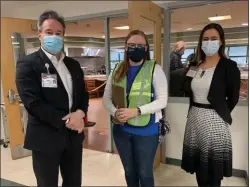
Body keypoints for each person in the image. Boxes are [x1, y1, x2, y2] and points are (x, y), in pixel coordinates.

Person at [15, 10, 89, 187]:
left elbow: (83, 94)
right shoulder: (28, 64)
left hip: (73, 137)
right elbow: (32, 102)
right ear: (39, 34)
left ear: (64, 35)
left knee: (73, 182)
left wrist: (79, 113)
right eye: (49, 32)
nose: (54, 37)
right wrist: (67, 120)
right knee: (47, 183)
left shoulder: (73, 64)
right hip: (45, 137)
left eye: (58, 33)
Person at [103, 30, 168, 187]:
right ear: (125, 47)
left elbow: (162, 100)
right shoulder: (117, 69)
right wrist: (115, 112)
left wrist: (137, 111)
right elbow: (106, 98)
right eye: (132, 45)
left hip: (146, 132)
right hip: (121, 131)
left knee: (145, 173)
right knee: (129, 172)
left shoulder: (155, 69)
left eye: (140, 45)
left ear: (146, 48)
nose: (136, 48)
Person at [181, 23, 241, 187]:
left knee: (213, 173)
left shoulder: (229, 67)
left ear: (221, 41)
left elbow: (233, 98)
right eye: (205, 39)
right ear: (201, 42)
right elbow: (188, 89)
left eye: (213, 38)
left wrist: (219, 114)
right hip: (194, 119)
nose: (209, 42)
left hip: (215, 121)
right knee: (200, 168)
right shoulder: (195, 65)